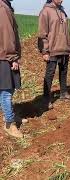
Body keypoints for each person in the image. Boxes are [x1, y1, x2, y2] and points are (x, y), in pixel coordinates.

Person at [38, 0, 70, 109]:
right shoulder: (46, 11)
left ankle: (63, 93)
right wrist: (44, 51)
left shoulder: (62, 11)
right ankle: (46, 98)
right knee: (50, 74)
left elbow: (68, 31)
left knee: (64, 72)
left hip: (64, 48)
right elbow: (42, 33)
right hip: (52, 49)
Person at [0, 0, 24, 138]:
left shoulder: (5, 6)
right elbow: (6, 34)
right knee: (6, 91)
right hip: (4, 56)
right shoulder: (3, 8)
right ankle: (9, 123)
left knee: (6, 90)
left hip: (4, 55)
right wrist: (12, 57)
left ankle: (9, 116)